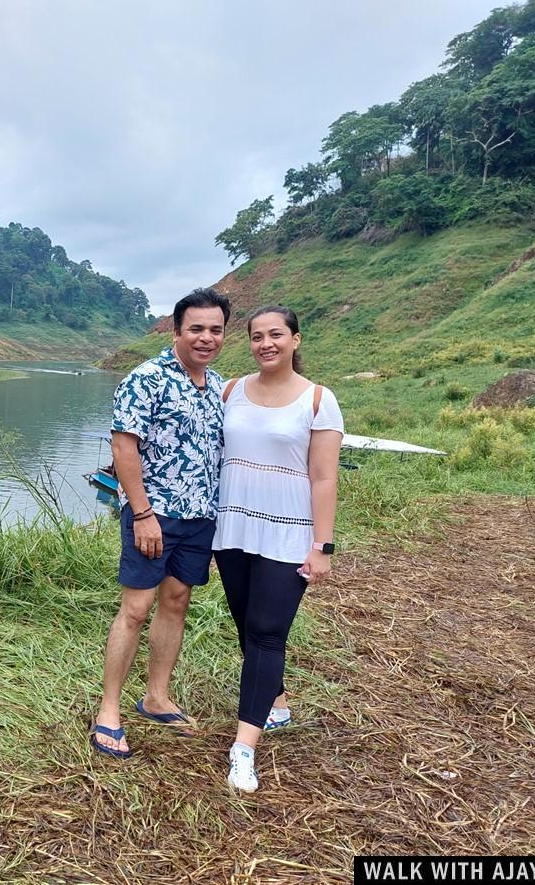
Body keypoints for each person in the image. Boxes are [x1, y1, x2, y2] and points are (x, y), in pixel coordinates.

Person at [91, 287, 230, 759]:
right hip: (156, 516)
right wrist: (143, 514)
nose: (205, 338)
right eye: (196, 328)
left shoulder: (218, 386)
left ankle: (156, 698)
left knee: (177, 601)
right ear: (177, 331)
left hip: (200, 518)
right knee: (135, 608)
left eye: (215, 329)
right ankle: (108, 711)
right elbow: (123, 447)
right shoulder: (145, 379)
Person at [212, 305, 343, 792]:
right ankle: (277, 704)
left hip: (288, 532)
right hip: (233, 528)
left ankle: (243, 748)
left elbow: (324, 477)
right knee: (247, 624)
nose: (266, 343)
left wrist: (322, 545)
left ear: (295, 340)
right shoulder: (230, 392)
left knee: (268, 631)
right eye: (256, 336)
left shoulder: (317, 400)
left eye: (276, 335)